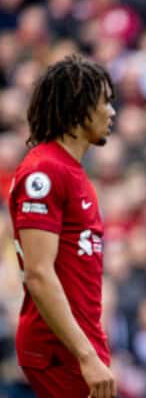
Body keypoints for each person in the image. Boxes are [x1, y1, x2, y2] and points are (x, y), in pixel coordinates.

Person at [8, 55, 117, 398]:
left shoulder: (72, 172)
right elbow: (39, 275)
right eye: (105, 101)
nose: (112, 112)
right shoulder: (45, 172)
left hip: (78, 341)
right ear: (79, 107)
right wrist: (85, 355)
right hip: (59, 349)